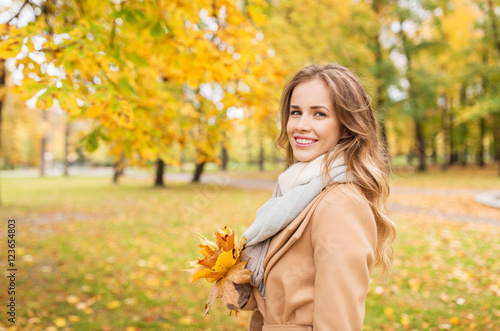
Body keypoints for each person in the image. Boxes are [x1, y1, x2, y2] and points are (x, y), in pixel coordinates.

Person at [235, 63, 397, 331]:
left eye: (319, 114)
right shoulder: (296, 192)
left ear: (346, 126)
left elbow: (338, 323)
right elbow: (286, 292)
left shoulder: (341, 204)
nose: (301, 125)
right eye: (295, 112)